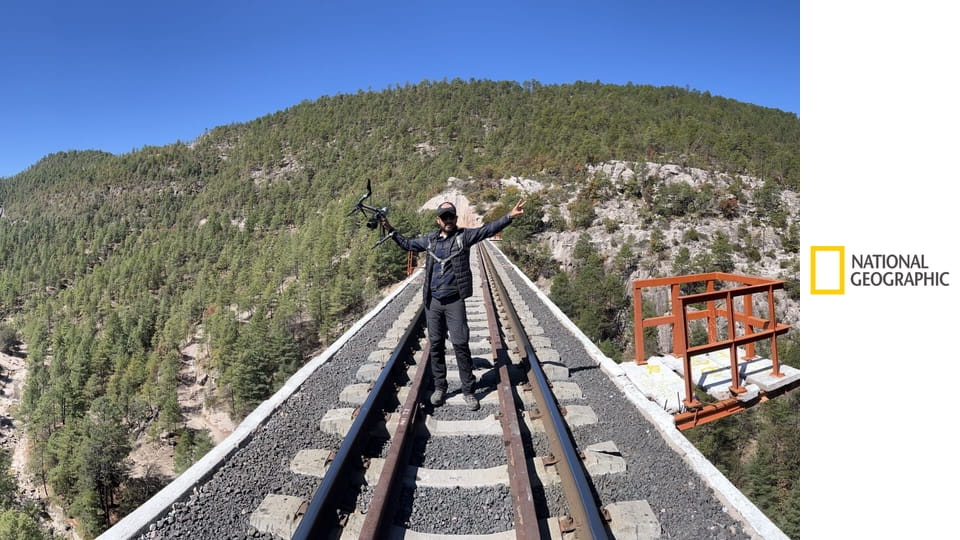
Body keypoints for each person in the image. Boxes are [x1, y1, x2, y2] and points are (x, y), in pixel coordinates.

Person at [379, 199, 526, 410]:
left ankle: (468, 390)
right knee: (436, 345)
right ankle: (440, 388)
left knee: (460, 344)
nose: (448, 220)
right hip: (434, 302)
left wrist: (509, 216)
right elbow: (408, 244)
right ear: (438, 220)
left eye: (451, 216)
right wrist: (390, 229)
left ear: (455, 218)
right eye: (444, 217)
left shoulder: (463, 237)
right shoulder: (430, 241)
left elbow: (486, 230)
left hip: (454, 300)